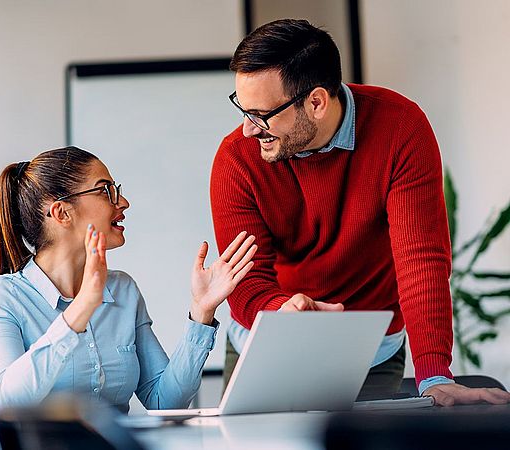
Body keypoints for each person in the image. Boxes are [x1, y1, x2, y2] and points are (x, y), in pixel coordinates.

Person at [210, 19, 510, 406]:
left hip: (370, 345)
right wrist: (283, 310)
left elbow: (420, 260)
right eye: (242, 109)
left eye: (262, 115)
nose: (249, 130)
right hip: (269, 339)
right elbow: (247, 281)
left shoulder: (400, 128)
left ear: (316, 102)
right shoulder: (236, 159)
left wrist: (434, 372)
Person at [0, 146, 257, 414]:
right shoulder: (1, 296)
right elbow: (8, 402)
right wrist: (79, 310)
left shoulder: (123, 290)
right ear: (62, 212)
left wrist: (202, 311)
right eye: (105, 191)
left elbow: (164, 401)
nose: (123, 202)